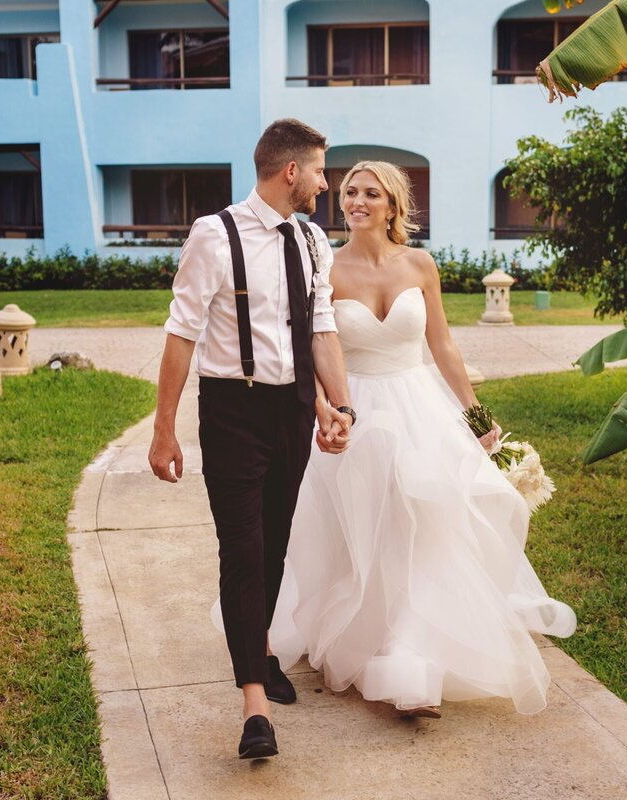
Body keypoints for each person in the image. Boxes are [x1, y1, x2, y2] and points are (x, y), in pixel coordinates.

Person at [269, 161, 577, 718]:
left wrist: (476, 414)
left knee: (428, 525)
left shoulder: (420, 264)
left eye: (370, 193)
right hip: (357, 411)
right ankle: (379, 642)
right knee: (373, 531)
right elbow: (314, 346)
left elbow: (444, 347)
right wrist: (327, 409)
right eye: (349, 192)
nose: (356, 201)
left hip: (419, 408)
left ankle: (411, 662)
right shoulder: (326, 268)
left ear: (393, 205)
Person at [148, 119, 354, 760]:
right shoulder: (215, 235)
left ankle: (259, 646)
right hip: (232, 413)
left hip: (293, 412)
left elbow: (319, 329)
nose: (327, 182)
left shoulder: (315, 239)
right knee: (243, 550)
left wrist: (338, 404)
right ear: (290, 171)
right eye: (320, 170)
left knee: (272, 544)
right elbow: (181, 334)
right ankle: (254, 708)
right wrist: (164, 430)